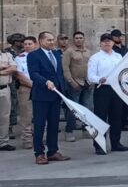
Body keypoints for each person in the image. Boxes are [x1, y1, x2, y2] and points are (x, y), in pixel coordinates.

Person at [27, 31, 71, 164]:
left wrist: (63, 91)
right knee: (40, 125)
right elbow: (33, 73)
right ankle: (39, 154)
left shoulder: (57, 54)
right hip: (41, 96)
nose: (52, 42)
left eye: (53, 40)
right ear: (40, 41)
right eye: (48, 40)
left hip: (56, 95)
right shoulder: (34, 55)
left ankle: (53, 151)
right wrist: (46, 82)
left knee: (54, 124)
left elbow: (60, 74)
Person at [88, 33, 128, 154]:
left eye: (109, 41)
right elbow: (90, 76)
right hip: (102, 89)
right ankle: (99, 145)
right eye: (104, 41)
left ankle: (116, 143)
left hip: (116, 89)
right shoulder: (95, 58)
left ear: (113, 42)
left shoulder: (118, 56)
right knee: (100, 117)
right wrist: (98, 79)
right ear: (100, 43)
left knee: (116, 117)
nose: (107, 43)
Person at [62, 31, 91, 142]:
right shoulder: (69, 52)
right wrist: (72, 82)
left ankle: (86, 130)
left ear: (84, 39)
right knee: (73, 109)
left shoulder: (88, 51)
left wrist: (91, 81)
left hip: (87, 83)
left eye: (80, 38)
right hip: (75, 84)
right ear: (73, 40)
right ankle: (69, 131)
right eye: (76, 38)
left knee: (87, 108)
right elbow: (65, 69)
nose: (79, 40)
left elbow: (91, 66)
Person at [13, 36, 37, 149]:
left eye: (30, 44)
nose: (27, 46)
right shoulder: (20, 58)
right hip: (26, 88)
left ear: (35, 44)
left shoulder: (40, 56)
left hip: (41, 88)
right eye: (25, 44)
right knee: (26, 115)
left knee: (40, 113)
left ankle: (40, 137)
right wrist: (32, 84)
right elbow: (19, 74)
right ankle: (27, 140)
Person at [110, 29, 128, 132]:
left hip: (126, 77)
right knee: (117, 103)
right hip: (116, 78)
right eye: (116, 36)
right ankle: (119, 123)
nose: (119, 38)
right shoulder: (112, 49)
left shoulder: (125, 48)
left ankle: (125, 120)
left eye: (120, 36)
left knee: (126, 102)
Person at [5, 33, 24, 141]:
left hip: (21, 79)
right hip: (12, 79)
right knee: (11, 103)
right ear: (15, 42)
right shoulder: (7, 52)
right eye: (20, 41)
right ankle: (9, 127)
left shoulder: (23, 52)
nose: (22, 43)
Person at [0, 45, 17, 151]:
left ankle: (3, 142)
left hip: (4, 88)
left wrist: (1, 71)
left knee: (4, 117)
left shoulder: (7, 55)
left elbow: (14, 68)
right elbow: (9, 68)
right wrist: (4, 67)